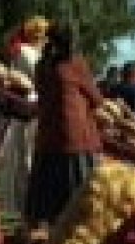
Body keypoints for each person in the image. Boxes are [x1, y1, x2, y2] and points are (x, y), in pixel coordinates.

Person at [26, 23, 106, 227]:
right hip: (73, 137)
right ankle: (74, 230)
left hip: (48, 137)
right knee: (77, 196)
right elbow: (97, 99)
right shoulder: (74, 64)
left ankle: (47, 229)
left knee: (48, 196)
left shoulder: (42, 65)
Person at [0, 15, 49, 216]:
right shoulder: (29, 55)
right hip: (28, 116)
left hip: (26, 115)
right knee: (24, 165)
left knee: (20, 165)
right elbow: (37, 84)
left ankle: (17, 208)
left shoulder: (25, 53)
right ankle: (20, 211)